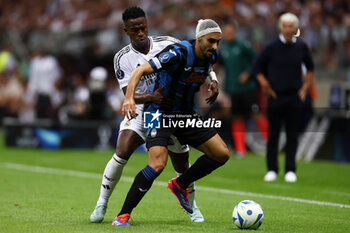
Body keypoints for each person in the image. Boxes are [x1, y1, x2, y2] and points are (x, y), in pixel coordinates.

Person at [90, 7, 205, 224]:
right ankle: (101, 203)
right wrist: (152, 97)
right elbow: (128, 95)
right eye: (135, 30)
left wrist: (210, 77)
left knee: (181, 164)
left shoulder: (168, 43)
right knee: (122, 152)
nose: (141, 33)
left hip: (169, 113)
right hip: (142, 112)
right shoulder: (122, 58)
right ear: (126, 31)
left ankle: (193, 207)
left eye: (143, 28)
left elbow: (196, 54)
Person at [113, 18, 230, 226]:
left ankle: (180, 184)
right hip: (157, 112)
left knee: (222, 154)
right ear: (199, 38)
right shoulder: (178, 53)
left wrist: (214, 80)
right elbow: (140, 71)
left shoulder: (212, 53)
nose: (215, 46)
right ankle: (123, 215)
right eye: (211, 41)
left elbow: (209, 65)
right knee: (157, 163)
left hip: (185, 114)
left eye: (218, 42)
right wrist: (130, 97)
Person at [254, 12, 314, 183]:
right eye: (285, 26)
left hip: (294, 97)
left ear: (295, 29)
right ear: (281, 27)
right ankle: (272, 169)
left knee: (292, 135)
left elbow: (310, 68)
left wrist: (306, 87)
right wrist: (264, 84)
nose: (288, 29)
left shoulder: (301, 47)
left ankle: (290, 170)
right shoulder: (271, 47)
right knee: (273, 134)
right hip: (275, 97)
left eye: (291, 26)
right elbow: (257, 67)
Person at [220, 21, 268, 156]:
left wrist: (247, 72)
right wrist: (225, 91)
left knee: (255, 114)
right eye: (226, 32)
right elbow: (226, 70)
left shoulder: (243, 46)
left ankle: (271, 143)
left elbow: (257, 60)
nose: (228, 34)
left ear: (235, 32)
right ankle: (241, 150)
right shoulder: (223, 49)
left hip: (248, 88)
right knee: (236, 118)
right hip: (233, 90)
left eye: (230, 31)